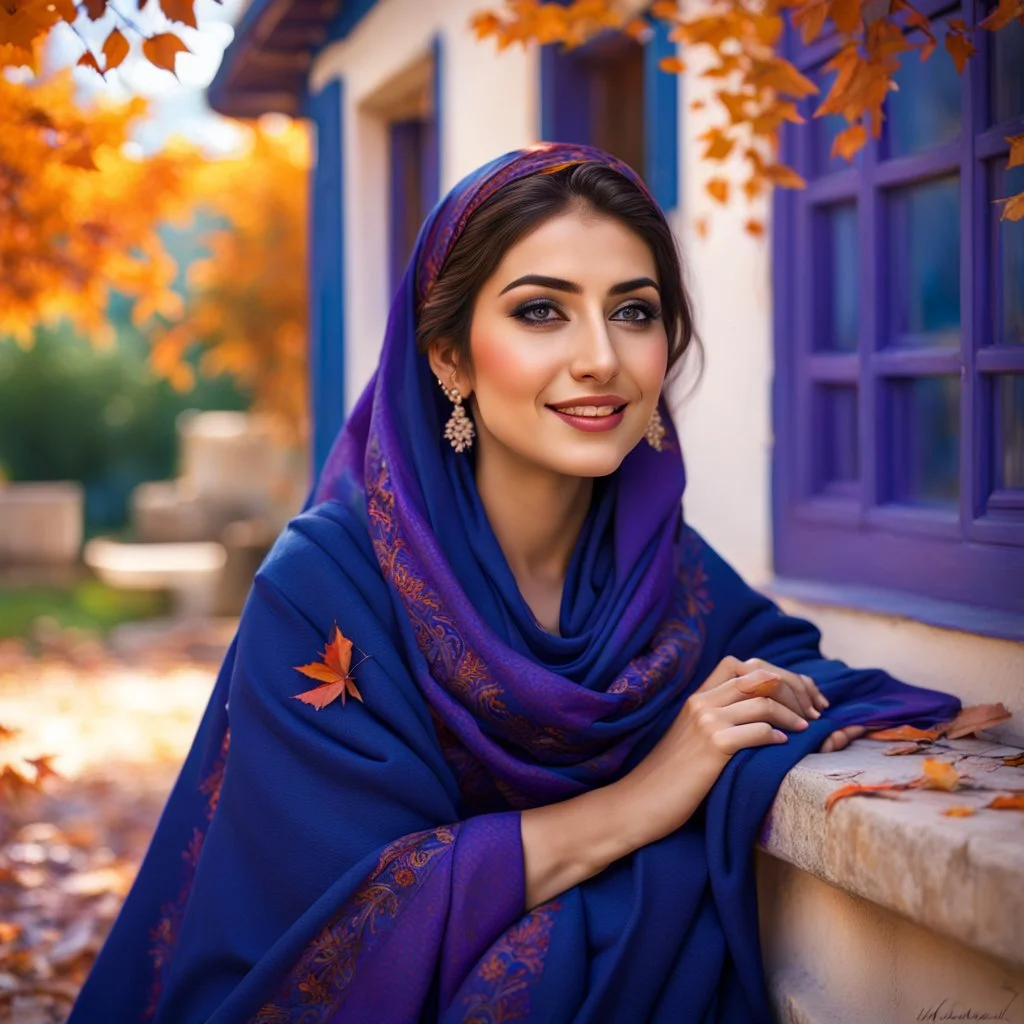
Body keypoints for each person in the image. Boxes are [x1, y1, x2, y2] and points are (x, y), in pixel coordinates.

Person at [68, 143, 960, 1024]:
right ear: (448, 358)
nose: (601, 358)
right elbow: (338, 930)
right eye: (542, 312)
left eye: (635, 312)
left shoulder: (661, 573)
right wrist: (642, 801)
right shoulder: (324, 589)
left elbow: (791, 677)